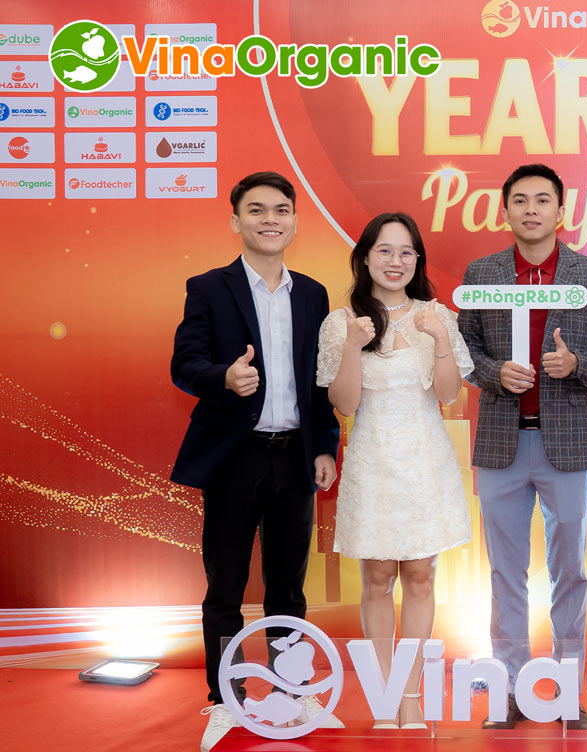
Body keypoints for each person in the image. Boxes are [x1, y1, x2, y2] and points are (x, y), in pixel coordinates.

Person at [170, 171, 342, 751]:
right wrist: (224, 376)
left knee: (288, 587)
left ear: (294, 220)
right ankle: (227, 698)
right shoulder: (208, 287)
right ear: (236, 220)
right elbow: (184, 364)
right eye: (257, 210)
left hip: (294, 456)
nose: (271, 219)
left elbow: (319, 383)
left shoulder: (313, 294)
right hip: (234, 457)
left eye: (281, 210)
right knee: (226, 584)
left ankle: (292, 690)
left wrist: (325, 445)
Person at [458, 164, 587, 730]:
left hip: (566, 444)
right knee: (505, 572)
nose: (531, 209)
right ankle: (510, 689)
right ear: (505, 210)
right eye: (520, 200)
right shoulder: (483, 272)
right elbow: (464, 350)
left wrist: (577, 365)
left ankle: (568, 690)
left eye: (543, 200)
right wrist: (494, 373)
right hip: (501, 441)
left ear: (561, 211)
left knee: (570, 570)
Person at [316, 212, 474, 729]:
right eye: (384, 250)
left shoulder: (437, 315)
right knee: (379, 578)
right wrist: (354, 346)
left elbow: (448, 394)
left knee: (422, 576)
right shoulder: (342, 322)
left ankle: (411, 695)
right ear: (364, 258)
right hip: (374, 459)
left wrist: (441, 338)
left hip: (424, 459)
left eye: (406, 252)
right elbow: (344, 404)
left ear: (417, 261)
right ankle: (385, 697)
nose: (395, 261)